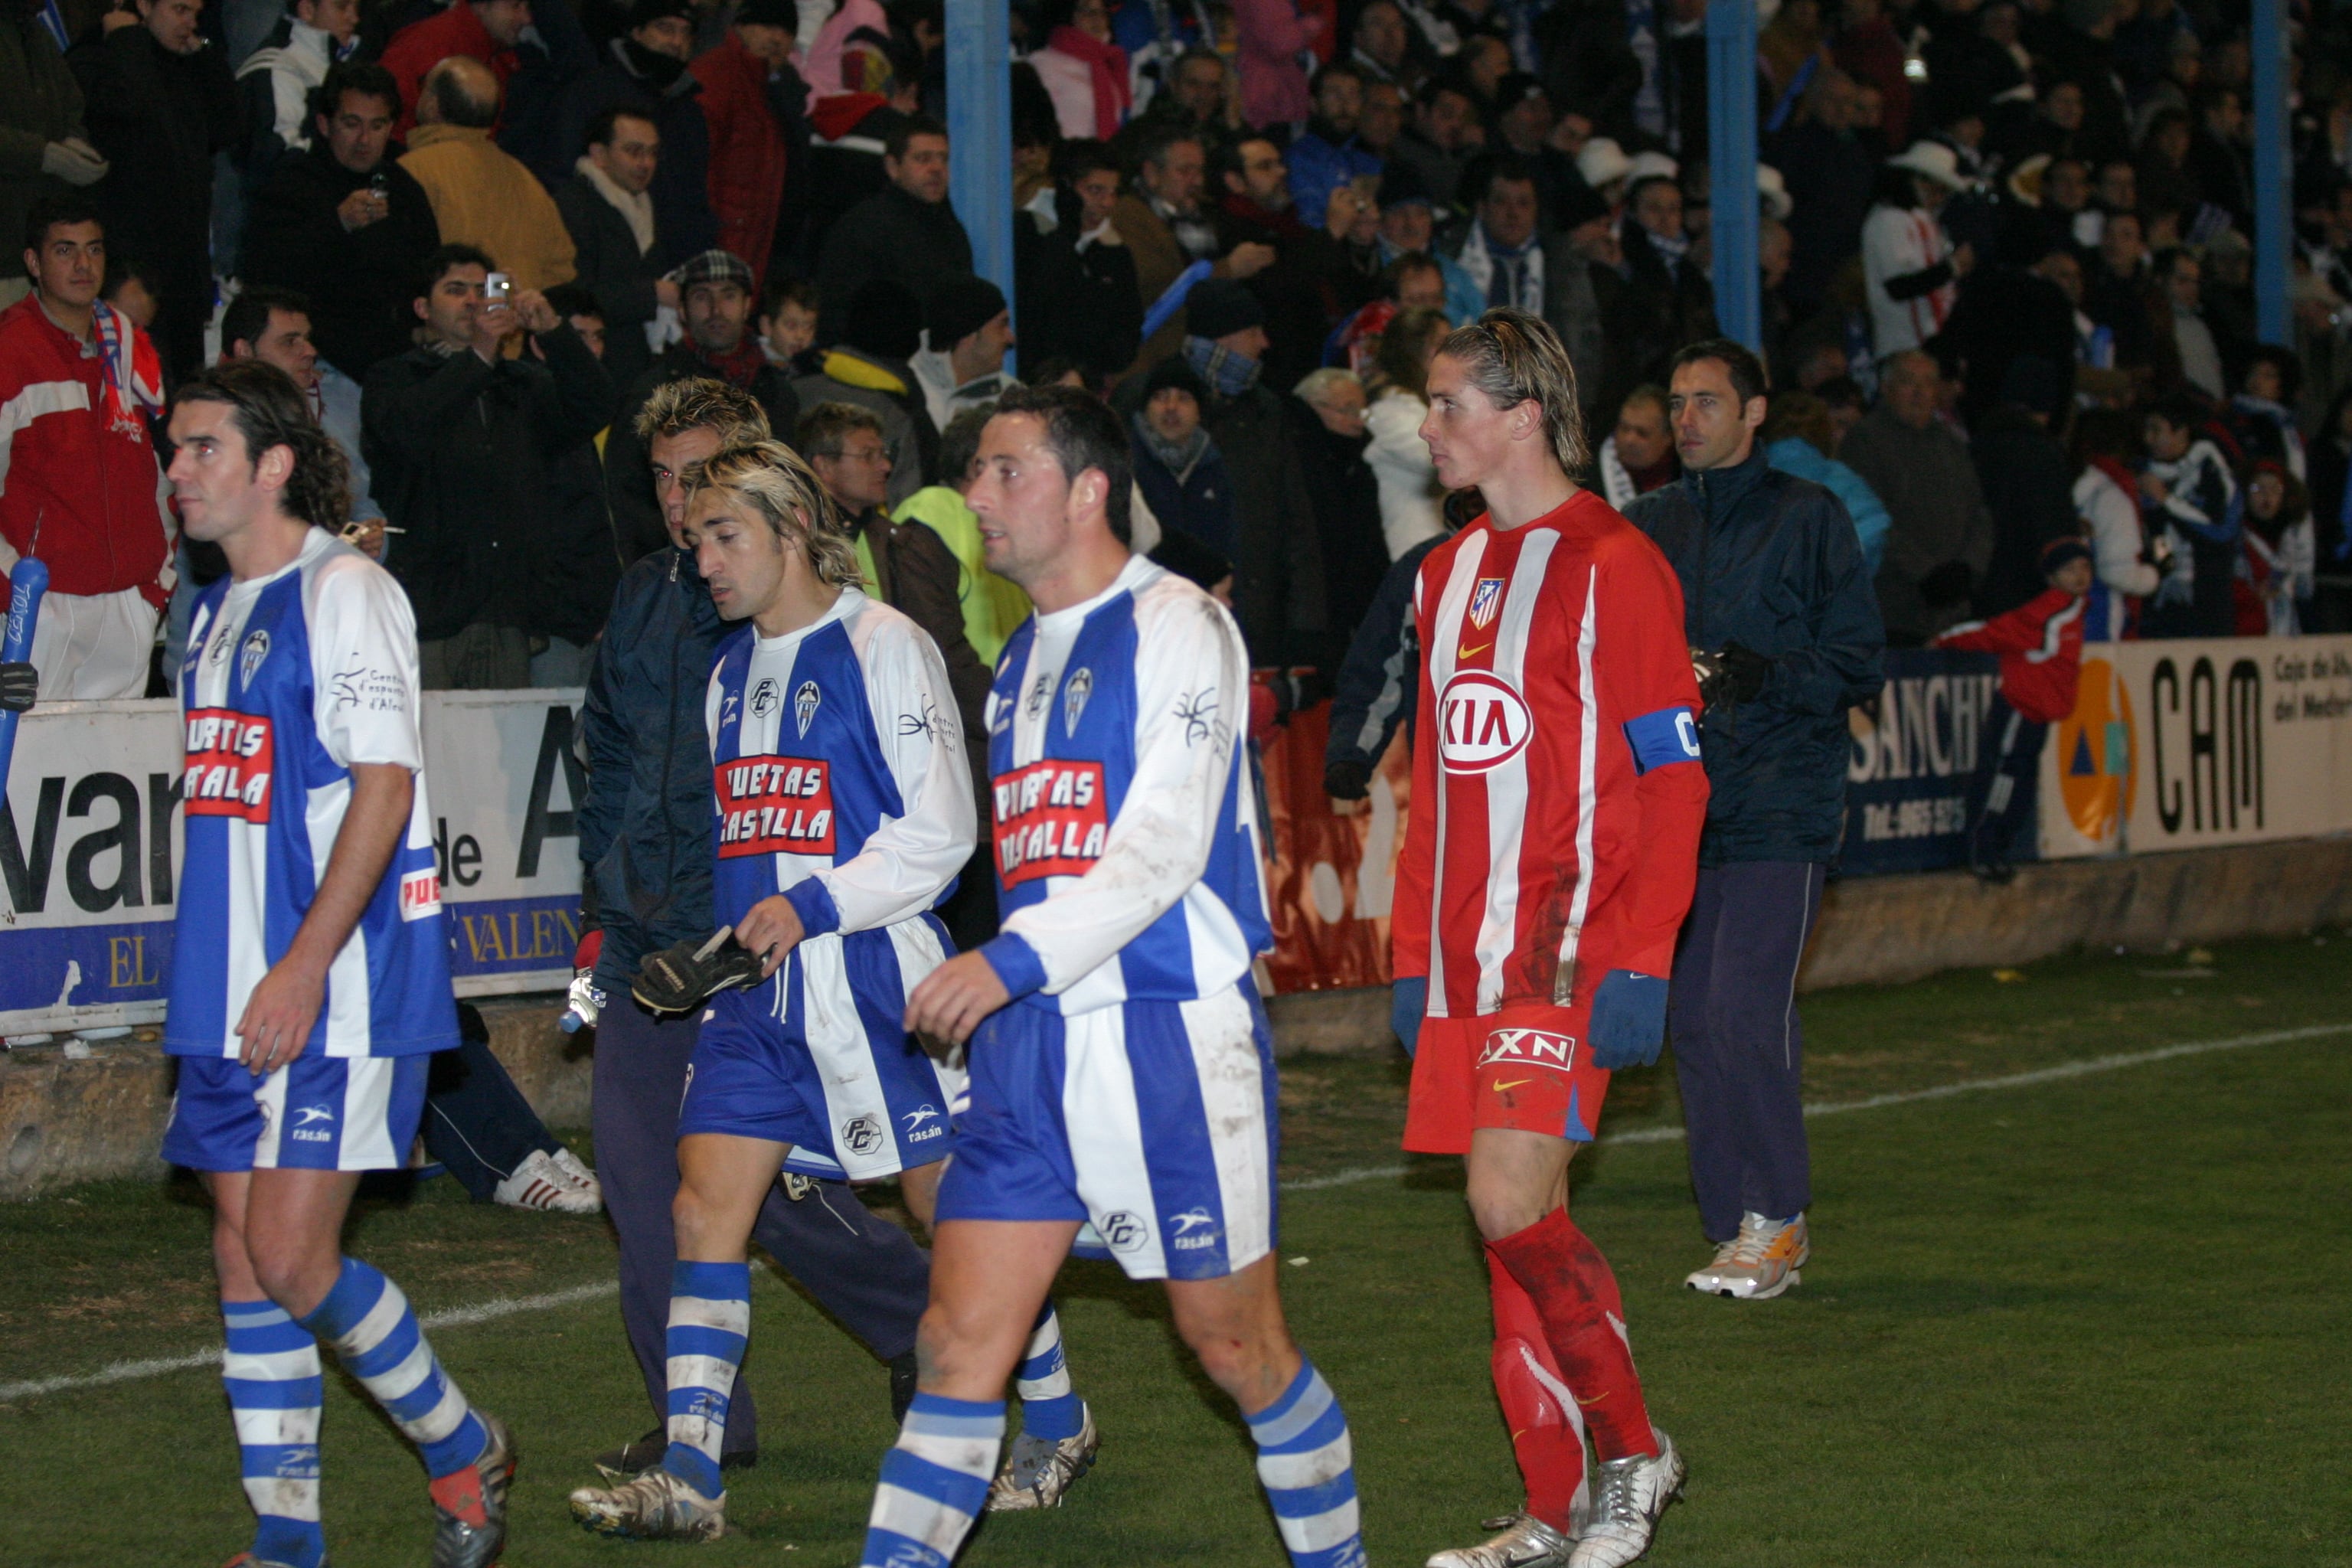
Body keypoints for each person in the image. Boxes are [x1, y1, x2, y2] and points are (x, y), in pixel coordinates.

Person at [864, 381, 1365, 1568]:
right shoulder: (1025, 658)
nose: (976, 497)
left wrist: (1006, 958)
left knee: (1235, 1348)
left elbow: (1159, 851)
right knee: (955, 1345)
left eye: (1003, 471)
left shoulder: (1181, 624)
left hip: (1163, 1037)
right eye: (973, 473)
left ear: (1089, 489)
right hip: (1029, 1047)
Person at [563, 436, 1021, 1538]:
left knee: (948, 1213)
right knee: (701, 1209)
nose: (702, 554)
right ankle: (692, 1477)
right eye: (696, 534)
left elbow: (945, 834)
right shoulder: (729, 672)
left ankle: (1044, 1410)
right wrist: (715, 951)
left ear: (791, 530)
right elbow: (754, 850)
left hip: (873, 984)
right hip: (757, 1003)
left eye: (725, 535)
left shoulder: (884, 643)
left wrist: (811, 908)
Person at [157, 359, 512, 1568]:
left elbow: (385, 785)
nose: (177, 471)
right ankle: (289, 1540)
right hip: (224, 983)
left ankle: (462, 1443)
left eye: (203, 448)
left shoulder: (347, 590)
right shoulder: (209, 613)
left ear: (270, 466)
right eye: (173, 447)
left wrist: (305, 966)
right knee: (242, 1258)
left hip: (338, 982)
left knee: (293, 1256)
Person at [1394, 310, 1703, 1568]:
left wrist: (1645, 956)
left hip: (1567, 945)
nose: (1429, 426)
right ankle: (1548, 1504)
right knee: (1509, 1236)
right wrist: (1413, 949)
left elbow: (1672, 777)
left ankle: (1635, 1451)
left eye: (1448, 402)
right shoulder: (1440, 573)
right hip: (1464, 954)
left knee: (1505, 1197)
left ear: (1523, 413)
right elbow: (1435, 776)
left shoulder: (1619, 563)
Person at [1625, 337, 1883, 1305]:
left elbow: (1860, 661)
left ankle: (1776, 1216)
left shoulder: (1809, 517)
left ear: (1755, 412)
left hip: (1782, 799)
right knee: (1691, 1017)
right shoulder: (1647, 522)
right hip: (1682, 805)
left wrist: (1761, 675)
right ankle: (1737, 1218)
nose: (1687, 418)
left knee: (1742, 1008)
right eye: (1676, 401)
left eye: (1705, 401)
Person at [361, 244, 614, 688]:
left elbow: (594, 406)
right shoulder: (394, 378)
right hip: (426, 606)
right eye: (456, 290)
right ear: (422, 307)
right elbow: (407, 433)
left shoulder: (522, 383)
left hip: (507, 609)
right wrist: (478, 355)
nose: (474, 301)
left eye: (483, 289)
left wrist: (553, 331)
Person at [0, 196, 174, 700]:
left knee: (112, 768)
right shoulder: (10, 351)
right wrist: (18, 597)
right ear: (33, 263)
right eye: (65, 251)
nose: (83, 265)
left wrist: (155, 584)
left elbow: (162, 470)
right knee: (27, 770)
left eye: (94, 250)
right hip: (40, 608)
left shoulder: (127, 343)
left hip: (129, 606)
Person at [67, 0, 240, 381]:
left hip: (184, 269)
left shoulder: (184, 65)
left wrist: (204, 55)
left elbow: (228, 127)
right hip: (129, 264)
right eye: (180, 10)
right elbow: (129, 108)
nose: (190, 24)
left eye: (196, 13)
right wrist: (128, 39)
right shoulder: (95, 58)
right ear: (143, 6)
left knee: (185, 386)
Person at [243, 62, 443, 382]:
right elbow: (262, 269)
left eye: (377, 126)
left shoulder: (404, 188)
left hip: (395, 361)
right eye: (352, 124)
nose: (364, 139)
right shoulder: (292, 185)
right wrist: (336, 224)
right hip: (319, 365)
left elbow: (430, 266)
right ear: (324, 124)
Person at [605, 247, 801, 560]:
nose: (716, 310)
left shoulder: (776, 391)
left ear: (747, 305)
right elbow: (629, 498)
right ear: (681, 309)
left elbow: (790, 487)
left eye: (728, 296)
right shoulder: (653, 392)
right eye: (701, 297)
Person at [1933, 537, 2091, 878]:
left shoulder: (2073, 611)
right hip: (2020, 710)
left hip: (2038, 716)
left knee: (2019, 781)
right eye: (2069, 570)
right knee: (2001, 777)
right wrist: (1944, 640)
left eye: (2084, 568)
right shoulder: (2047, 613)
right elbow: (1995, 632)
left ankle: (1998, 847)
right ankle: (1983, 849)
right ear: (2052, 577)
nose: (2079, 576)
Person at [1838, 349, 1994, 645]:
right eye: (1909, 382)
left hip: (1953, 611)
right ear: (1885, 389)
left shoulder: (1951, 443)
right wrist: (1924, 572)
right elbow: (1870, 520)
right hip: (1892, 608)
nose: (1920, 393)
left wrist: (1969, 568)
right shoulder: (1865, 441)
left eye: (1928, 383)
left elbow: (1980, 513)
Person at [554, 0, 715, 264]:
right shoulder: (593, 93)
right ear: (637, 32)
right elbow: (562, 170)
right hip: (602, 258)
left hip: (671, 262)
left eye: (686, 33)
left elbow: (695, 197)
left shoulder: (690, 111)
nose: (676, 42)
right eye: (665, 29)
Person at [400, 57, 578, 295]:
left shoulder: (411, 171)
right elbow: (560, 272)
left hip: (443, 327)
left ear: (432, 105)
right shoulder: (525, 179)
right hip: (510, 325)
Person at [1111, 126, 1276, 374]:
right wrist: (1228, 269)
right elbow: (1154, 287)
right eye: (1185, 171)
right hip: (1153, 359)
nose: (1197, 181)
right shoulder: (1129, 216)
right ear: (1151, 173)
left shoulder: (1208, 213)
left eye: (1200, 171)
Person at [892, 402, 1031, 665]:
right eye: (1010, 466)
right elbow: (935, 641)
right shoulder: (930, 510)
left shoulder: (1015, 522)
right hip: (967, 694)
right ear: (975, 465)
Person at [813, 115, 971, 344]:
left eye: (943, 159)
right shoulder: (861, 228)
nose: (937, 168)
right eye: (923, 159)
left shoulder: (952, 229)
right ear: (893, 167)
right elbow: (837, 316)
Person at [554, 106, 675, 390]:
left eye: (653, 153)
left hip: (633, 363)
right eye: (634, 151)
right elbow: (573, 292)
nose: (646, 163)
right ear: (599, 155)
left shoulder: (642, 207)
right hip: (594, 366)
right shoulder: (575, 207)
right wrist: (651, 294)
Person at [0, 0, 104, 313]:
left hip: (40, 247)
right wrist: (42, 154)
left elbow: (72, 102)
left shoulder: (36, 33)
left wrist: (75, 142)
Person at [691, 0, 800, 290]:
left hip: (745, 248)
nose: (776, 39)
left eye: (786, 31)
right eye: (765, 26)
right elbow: (696, 167)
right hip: (715, 246)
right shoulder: (716, 76)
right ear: (739, 27)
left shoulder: (772, 91)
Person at [2137, 393, 2237, 639]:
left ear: (2182, 433)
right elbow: (2158, 538)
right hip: (2162, 604)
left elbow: (2221, 532)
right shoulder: (2144, 474)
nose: (2148, 439)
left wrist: (2166, 501)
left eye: (2156, 430)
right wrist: (2164, 566)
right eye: (2146, 430)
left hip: (2210, 604)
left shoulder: (2213, 470)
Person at [1860, 142, 1971, 361]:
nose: (1938, 198)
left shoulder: (1924, 221)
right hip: (1903, 345)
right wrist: (1953, 267)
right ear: (1913, 180)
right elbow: (1899, 286)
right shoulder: (1888, 220)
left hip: (1930, 341)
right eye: (1935, 188)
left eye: (1944, 192)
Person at [233, 0, 360, 185]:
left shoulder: (342, 61)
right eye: (342, 7)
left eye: (357, 8)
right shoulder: (277, 66)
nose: (355, 18)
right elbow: (277, 156)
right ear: (307, 10)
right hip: (287, 203)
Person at [1362, 302, 1448, 557]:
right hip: (1411, 557)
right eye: (1442, 344)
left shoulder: (1429, 407)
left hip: (1442, 553)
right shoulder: (1390, 412)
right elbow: (1437, 459)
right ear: (1413, 352)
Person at [381, 0, 531, 137]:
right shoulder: (430, 46)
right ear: (481, 5)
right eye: (515, 6)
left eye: (527, 7)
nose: (526, 19)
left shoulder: (498, 53)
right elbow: (386, 115)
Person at [911, 270, 1017, 433]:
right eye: (1002, 326)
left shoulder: (1013, 396)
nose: (1011, 339)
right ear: (968, 335)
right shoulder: (905, 391)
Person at [2239, 461, 2314, 636]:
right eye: (2258, 490)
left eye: (2275, 490)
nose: (2267, 497)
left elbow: (2304, 589)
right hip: (2247, 633)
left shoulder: (2293, 535)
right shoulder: (2237, 538)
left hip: (2286, 633)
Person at [1595, 383, 1676, 511]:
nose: (1630, 440)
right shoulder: (1590, 478)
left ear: (1668, 438)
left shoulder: (1686, 479)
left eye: (1642, 433)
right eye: (1624, 428)